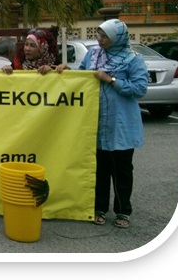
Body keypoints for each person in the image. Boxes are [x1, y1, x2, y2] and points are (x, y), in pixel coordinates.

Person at [54, 19, 148, 229]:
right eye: (99, 35)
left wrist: (111, 80)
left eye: (105, 37)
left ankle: (123, 211)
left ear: (117, 38)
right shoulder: (93, 54)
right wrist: (68, 70)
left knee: (122, 169)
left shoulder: (133, 59)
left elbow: (140, 88)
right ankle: (99, 208)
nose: (100, 39)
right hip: (96, 120)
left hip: (120, 123)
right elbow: (82, 75)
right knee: (99, 168)